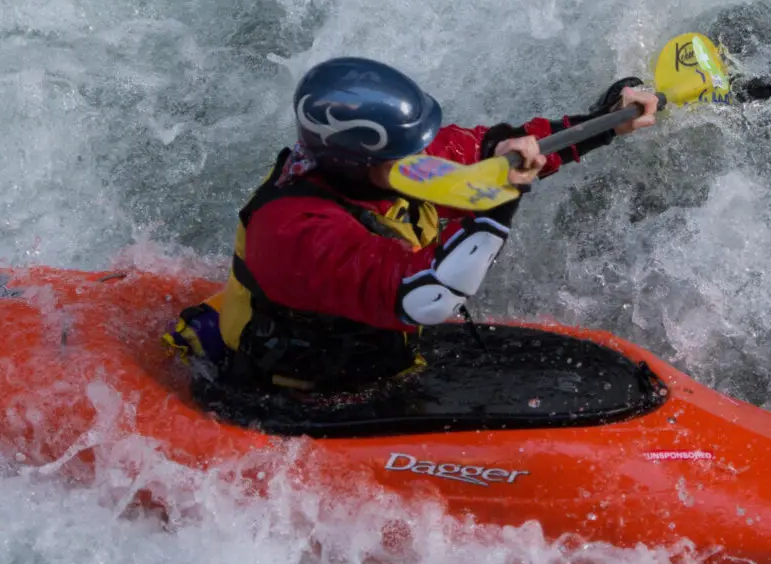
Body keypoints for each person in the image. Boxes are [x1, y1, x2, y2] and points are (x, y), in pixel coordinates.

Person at [166, 58, 658, 394]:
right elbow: (429, 298)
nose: (426, 157)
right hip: (297, 398)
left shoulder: (379, 166)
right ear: (355, 159)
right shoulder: (296, 232)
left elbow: (492, 149)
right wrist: (500, 199)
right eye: (410, 150)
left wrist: (605, 121)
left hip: (374, 352)